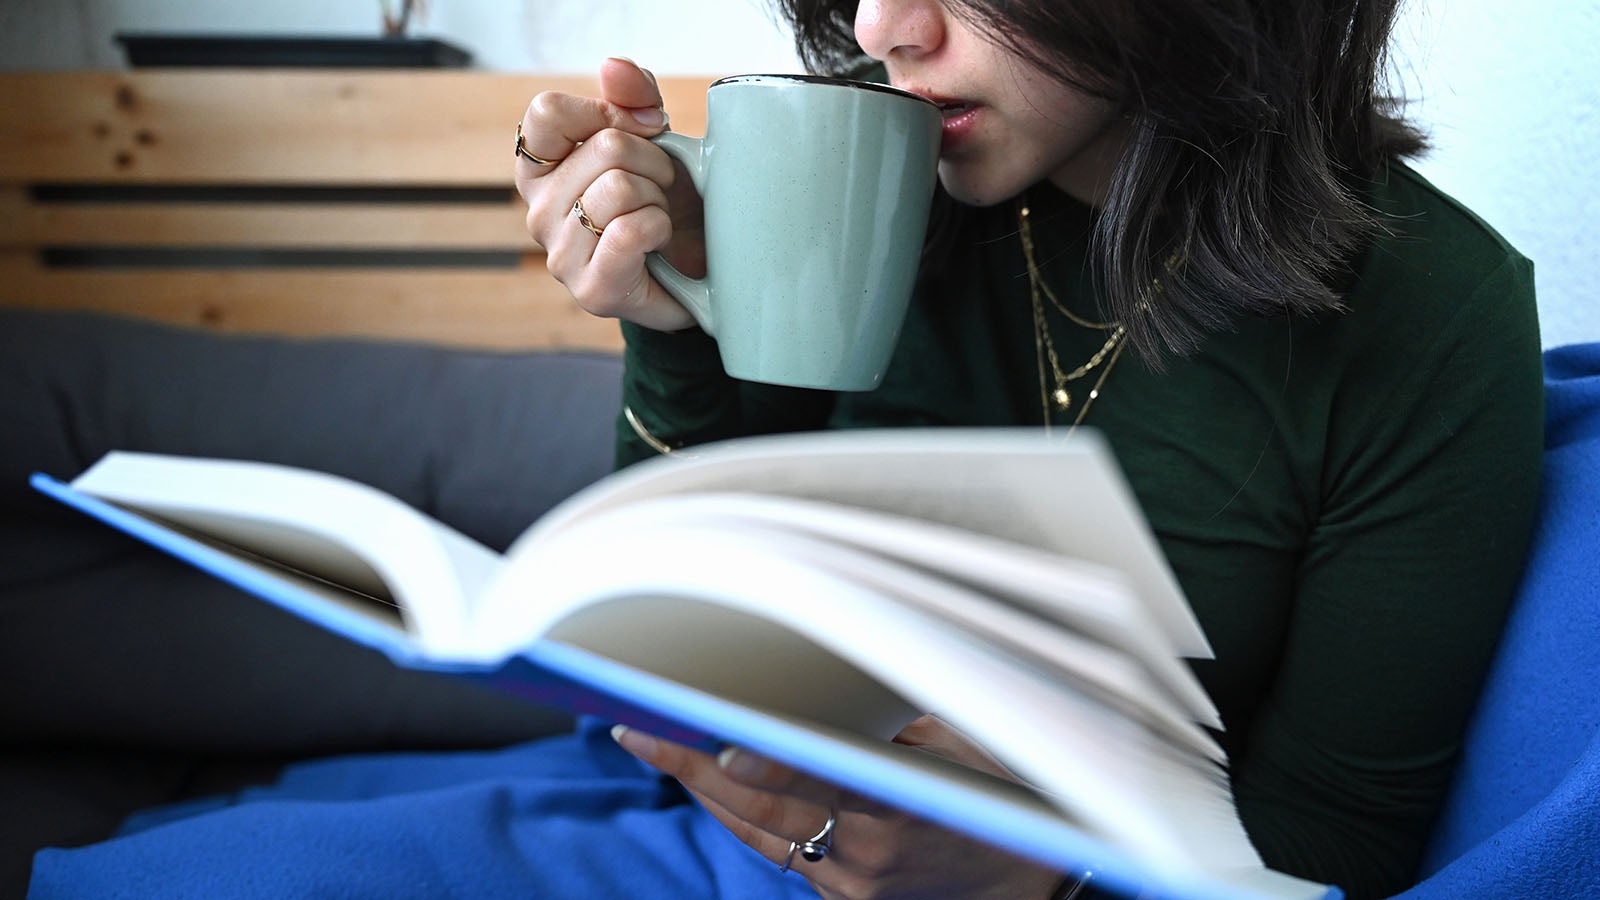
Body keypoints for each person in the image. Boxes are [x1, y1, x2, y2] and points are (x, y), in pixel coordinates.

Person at [511, 0, 1543, 898]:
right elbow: (660, 653)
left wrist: (1042, 879)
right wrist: (678, 318)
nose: (880, 27)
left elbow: (1344, 840)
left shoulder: (1427, 313)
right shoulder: (853, 169)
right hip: (692, 844)